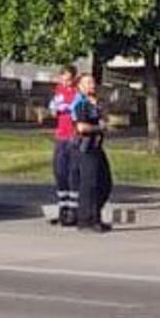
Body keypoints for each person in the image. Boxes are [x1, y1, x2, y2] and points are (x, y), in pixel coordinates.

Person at [69, 74, 113, 233]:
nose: (92, 85)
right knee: (89, 185)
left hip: (97, 147)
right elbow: (81, 127)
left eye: (93, 82)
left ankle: (95, 216)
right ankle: (86, 221)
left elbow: (104, 118)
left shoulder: (95, 103)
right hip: (85, 148)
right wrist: (100, 128)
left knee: (105, 183)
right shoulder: (81, 104)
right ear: (79, 86)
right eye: (88, 82)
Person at [48, 65, 80, 226]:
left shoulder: (78, 92)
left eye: (69, 79)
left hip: (74, 136)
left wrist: (68, 108)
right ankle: (63, 208)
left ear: (74, 78)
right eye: (64, 79)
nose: (66, 82)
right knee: (60, 172)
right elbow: (53, 111)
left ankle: (73, 210)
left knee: (73, 172)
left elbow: (77, 110)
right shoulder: (58, 91)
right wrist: (55, 107)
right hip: (61, 135)